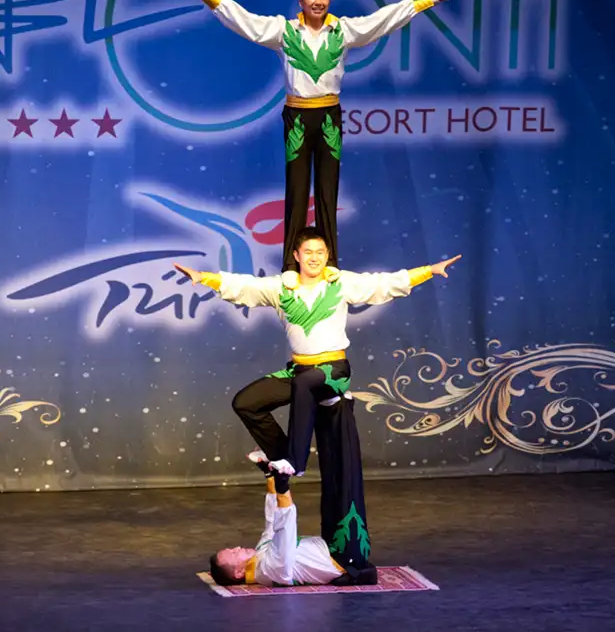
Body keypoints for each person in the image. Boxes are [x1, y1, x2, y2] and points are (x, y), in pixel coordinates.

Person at [174, 227, 460, 578]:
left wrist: (429, 270)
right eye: (308, 252)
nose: (314, 258)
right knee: (246, 401)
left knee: (306, 383)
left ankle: (295, 462)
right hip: (299, 369)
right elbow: (244, 286)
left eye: (320, 252)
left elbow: (383, 284)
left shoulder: (340, 284)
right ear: (296, 255)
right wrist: (203, 277)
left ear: (327, 256)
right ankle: (281, 455)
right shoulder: (281, 288)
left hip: (333, 370)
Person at [175, 0, 457, 275]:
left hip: (328, 117)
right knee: (297, 191)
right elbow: (245, 21)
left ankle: (330, 262)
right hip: (297, 116)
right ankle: (289, 265)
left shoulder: (343, 30)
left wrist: (428, 1)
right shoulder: (284, 31)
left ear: (330, 0)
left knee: (327, 190)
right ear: (301, 1)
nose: (318, 1)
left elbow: (382, 20)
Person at [207, 453, 351, 588]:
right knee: (346, 479)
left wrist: (270, 477)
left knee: (335, 475)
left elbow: (272, 520)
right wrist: (283, 489)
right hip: (343, 554)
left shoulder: (260, 555)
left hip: (332, 539)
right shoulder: (268, 571)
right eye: (234, 554)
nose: (237, 548)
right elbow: (285, 531)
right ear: (239, 572)